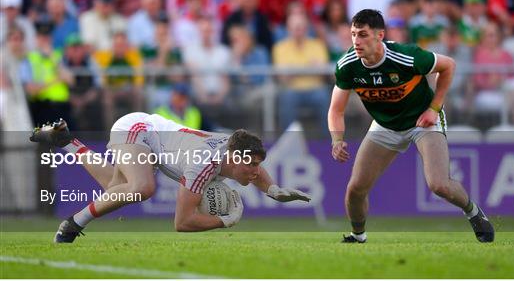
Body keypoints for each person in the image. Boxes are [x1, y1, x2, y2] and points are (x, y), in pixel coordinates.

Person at [327, 9, 494, 244]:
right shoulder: (348, 65)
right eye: (353, 34)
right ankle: (358, 236)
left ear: (380, 35)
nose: (356, 41)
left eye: (363, 34)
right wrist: (337, 139)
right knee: (355, 189)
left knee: (439, 185)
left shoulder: (406, 56)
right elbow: (336, 110)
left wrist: (434, 108)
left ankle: (473, 212)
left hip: (422, 120)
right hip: (385, 126)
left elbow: (448, 66)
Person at [29, 114, 311, 243]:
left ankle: (67, 141)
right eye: (250, 165)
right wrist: (225, 220)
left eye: (257, 165)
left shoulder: (236, 151)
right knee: (143, 187)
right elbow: (182, 223)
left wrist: (273, 190)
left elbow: (256, 168)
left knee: (113, 190)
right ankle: (73, 224)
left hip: (153, 137)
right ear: (234, 159)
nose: (256, 171)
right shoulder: (204, 165)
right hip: (139, 129)